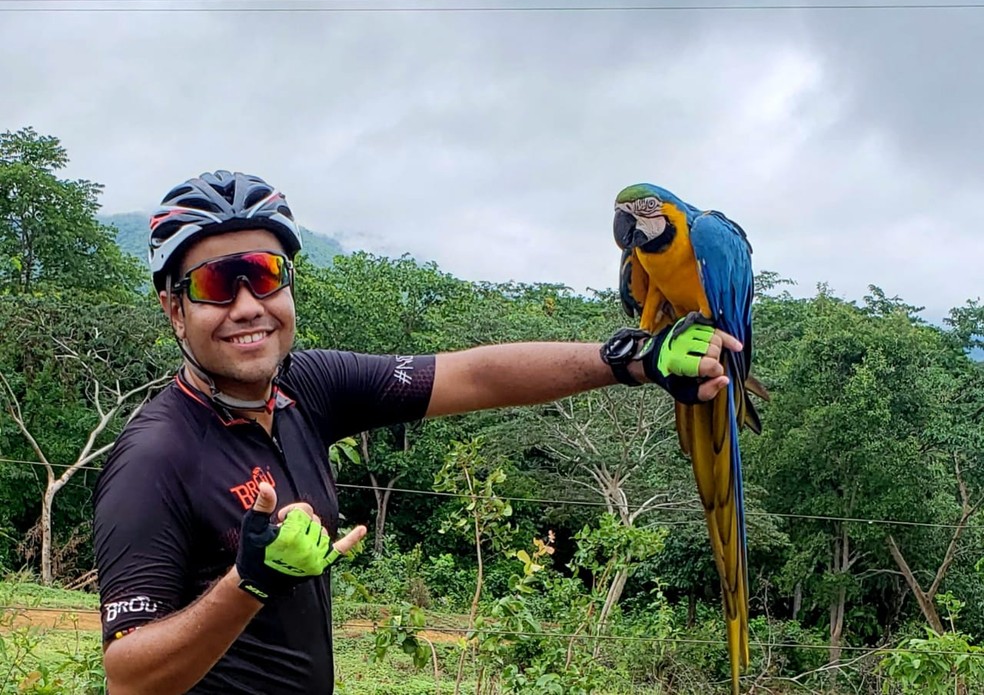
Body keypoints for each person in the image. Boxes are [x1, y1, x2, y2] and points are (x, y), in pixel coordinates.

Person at [93, 170, 740, 695]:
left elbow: (477, 376)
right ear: (174, 307)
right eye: (213, 284)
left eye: (262, 274)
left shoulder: (306, 387)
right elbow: (128, 675)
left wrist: (632, 360)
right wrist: (248, 581)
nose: (246, 306)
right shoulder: (157, 455)